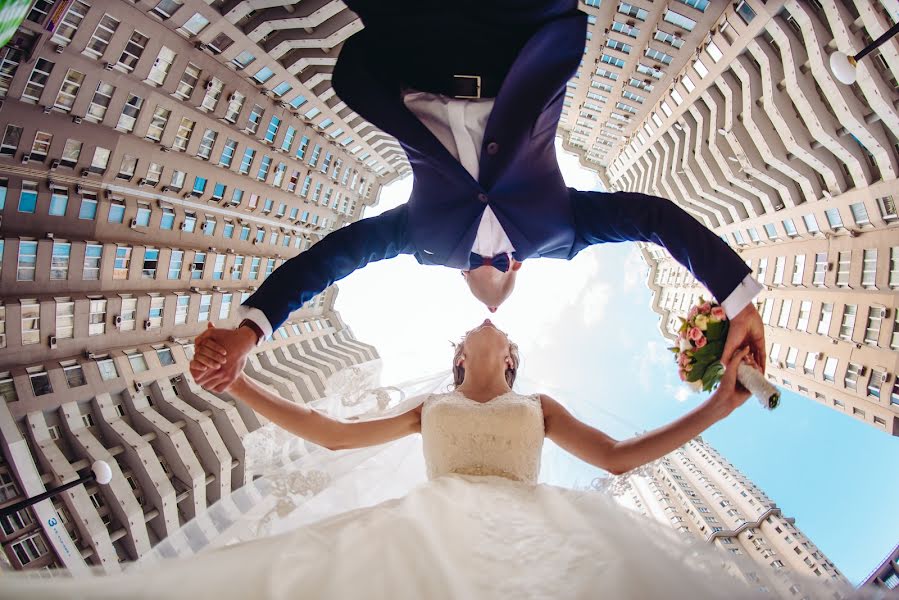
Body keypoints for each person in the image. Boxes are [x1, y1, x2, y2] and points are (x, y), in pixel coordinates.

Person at [2, 321, 861, 599]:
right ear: (461, 355)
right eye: (476, 324)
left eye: (506, 330)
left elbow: (623, 454)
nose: (490, 323)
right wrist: (243, 388)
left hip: (539, 529)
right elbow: (331, 434)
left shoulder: (539, 407)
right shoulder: (429, 408)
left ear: (512, 358)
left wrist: (717, 401)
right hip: (430, 524)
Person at [191, 0, 766, 395]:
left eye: (481, 275)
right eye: (503, 275)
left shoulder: (426, 242)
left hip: (412, 41)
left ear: (458, 274)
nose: (491, 286)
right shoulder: (561, 233)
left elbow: (334, 257)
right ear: (518, 264)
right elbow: (652, 217)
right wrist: (738, 300)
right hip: (519, 35)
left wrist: (251, 330)